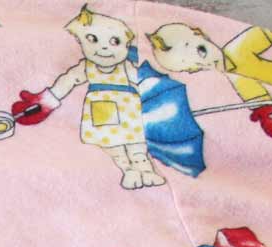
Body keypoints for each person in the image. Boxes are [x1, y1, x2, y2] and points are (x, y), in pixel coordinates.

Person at [11, 6, 166, 189]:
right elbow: (68, 80)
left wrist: (160, 94)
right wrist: (46, 102)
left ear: (126, 44)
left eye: (115, 41)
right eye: (92, 39)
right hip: (102, 109)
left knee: (137, 142)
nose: (104, 47)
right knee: (112, 145)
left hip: (128, 108)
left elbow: (143, 81)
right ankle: (128, 171)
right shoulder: (86, 66)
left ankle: (146, 171)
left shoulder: (126, 66)